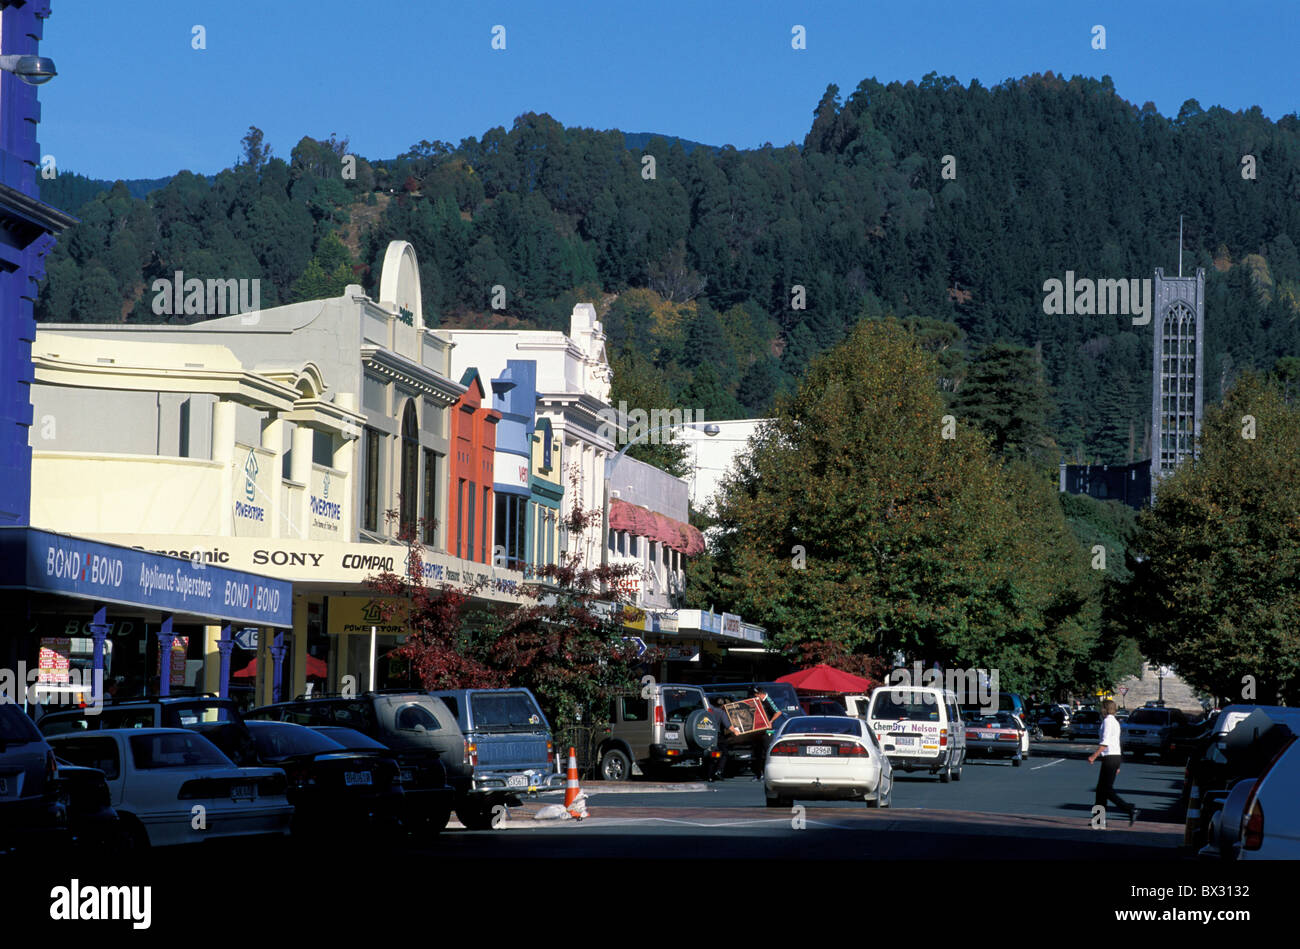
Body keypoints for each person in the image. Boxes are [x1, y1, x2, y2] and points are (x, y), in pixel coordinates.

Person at [1087, 700, 1138, 827]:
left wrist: (1094, 756)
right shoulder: (1115, 721)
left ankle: (1130, 809)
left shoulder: (1108, 722)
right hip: (1114, 757)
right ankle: (1098, 820)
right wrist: (1118, 764)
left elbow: (1105, 742)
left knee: (1106, 790)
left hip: (1110, 758)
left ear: (1105, 708)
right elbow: (1116, 743)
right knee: (1100, 790)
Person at [749, 686, 782, 781]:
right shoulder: (757, 701)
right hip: (758, 730)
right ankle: (758, 774)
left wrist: (770, 722)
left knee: (765, 752)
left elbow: (778, 712)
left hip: (767, 731)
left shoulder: (768, 700)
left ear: (760, 694)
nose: (755, 696)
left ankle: (765, 774)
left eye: (756, 694)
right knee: (756, 752)